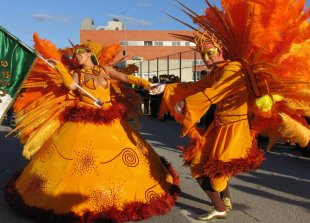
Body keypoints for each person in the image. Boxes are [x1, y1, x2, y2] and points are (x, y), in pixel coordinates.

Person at [151, 0, 310, 221]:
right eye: (203, 54)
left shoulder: (234, 69)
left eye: (210, 52)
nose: (207, 58)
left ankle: (220, 208)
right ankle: (222, 202)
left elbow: (213, 92)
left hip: (235, 128)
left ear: (220, 50)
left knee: (217, 171)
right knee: (197, 164)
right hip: (219, 126)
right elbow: (196, 87)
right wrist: (165, 87)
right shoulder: (217, 72)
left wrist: (187, 104)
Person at [5, 35, 180, 223]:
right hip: (82, 121)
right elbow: (70, 86)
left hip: (110, 120)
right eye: (74, 54)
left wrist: (147, 84)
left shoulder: (104, 69)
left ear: (89, 53)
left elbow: (124, 77)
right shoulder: (77, 74)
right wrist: (61, 67)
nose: (77, 56)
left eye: (80, 53)